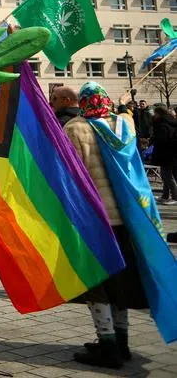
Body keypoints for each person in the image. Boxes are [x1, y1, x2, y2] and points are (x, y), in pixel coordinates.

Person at [64, 83, 148, 368]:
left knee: (96, 282)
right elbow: (128, 116)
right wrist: (124, 106)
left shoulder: (76, 128)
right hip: (127, 216)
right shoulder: (124, 126)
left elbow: (70, 173)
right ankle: (123, 343)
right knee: (121, 281)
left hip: (96, 218)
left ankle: (108, 343)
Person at [151, 105, 177, 205]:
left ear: (159, 113)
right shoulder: (168, 122)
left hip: (167, 154)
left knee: (168, 176)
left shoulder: (163, 125)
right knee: (165, 175)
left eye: (155, 113)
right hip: (169, 154)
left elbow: (162, 140)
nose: (154, 115)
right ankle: (165, 195)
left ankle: (175, 196)